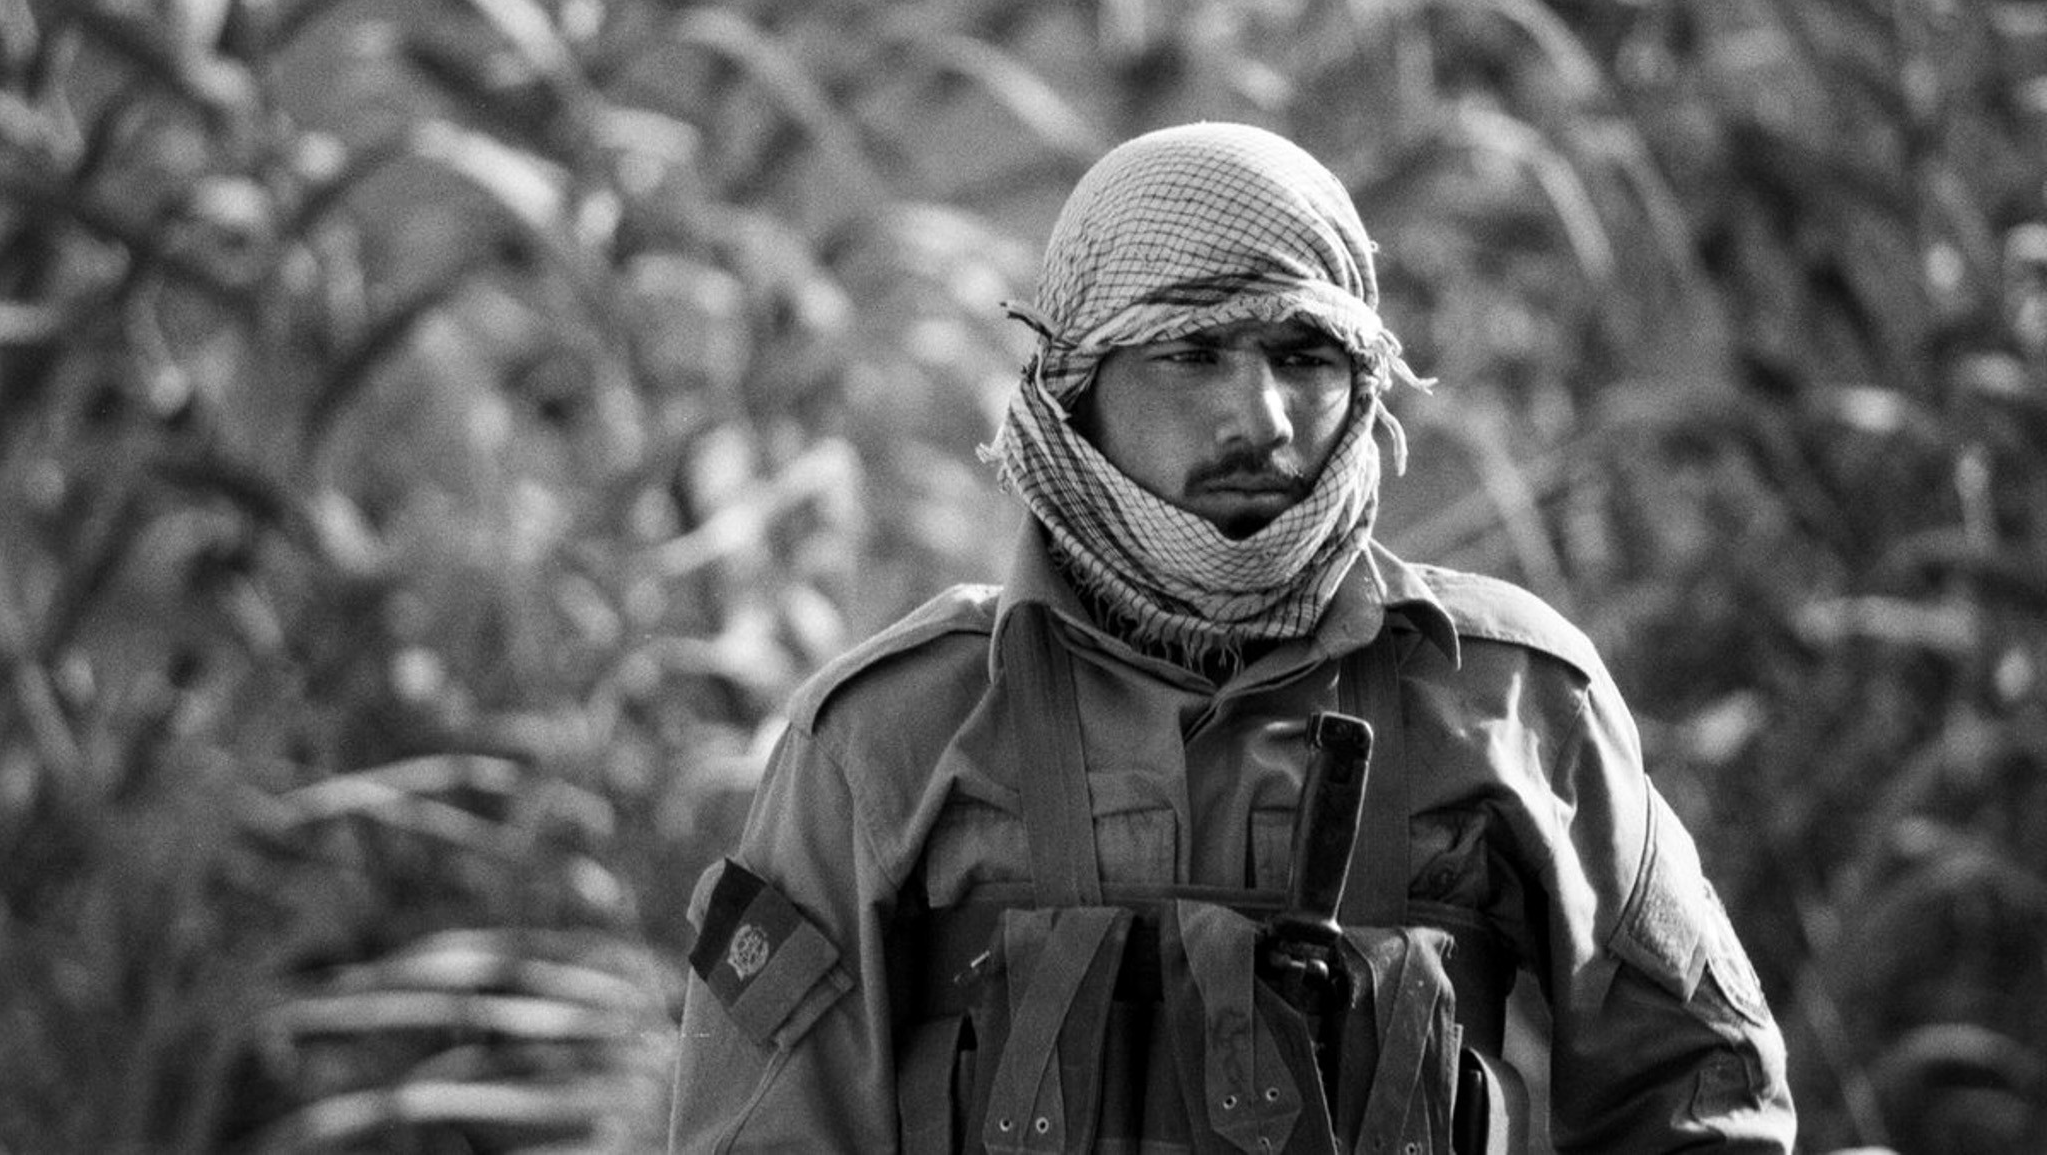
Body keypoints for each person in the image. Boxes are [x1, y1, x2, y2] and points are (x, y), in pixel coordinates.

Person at [667, 123, 1796, 1153]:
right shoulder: (885, 742)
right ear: (1072, 385)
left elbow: (1701, 1099)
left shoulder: (1511, 703)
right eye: (1190, 352)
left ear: (1361, 380)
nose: (1257, 420)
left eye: (1304, 354)